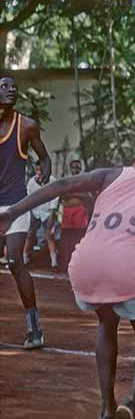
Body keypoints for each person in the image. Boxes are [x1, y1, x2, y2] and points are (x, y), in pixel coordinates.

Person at [0, 128, 135, 419]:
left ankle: (106, 411)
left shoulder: (111, 174)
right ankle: (130, 402)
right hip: (128, 267)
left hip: (85, 263)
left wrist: (13, 211)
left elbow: (62, 186)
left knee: (107, 322)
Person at [0, 75, 52, 348]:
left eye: (14, 88)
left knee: (14, 260)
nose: (11, 90)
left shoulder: (27, 126)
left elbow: (44, 157)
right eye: (4, 86)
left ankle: (34, 328)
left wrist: (45, 172)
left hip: (15, 205)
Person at [23, 163, 59, 269]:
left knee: (49, 235)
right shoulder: (31, 182)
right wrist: (29, 212)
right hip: (34, 211)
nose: (39, 173)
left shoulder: (52, 180)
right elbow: (28, 198)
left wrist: (52, 213)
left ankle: (54, 263)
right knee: (29, 235)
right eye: (37, 170)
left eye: (41, 170)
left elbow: (55, 198)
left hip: (47, 212)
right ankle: (24, 259)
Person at [58, 158, 90, 271]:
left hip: (79, 212)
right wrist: (76, 194)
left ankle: (78, 264)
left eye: (78, 167)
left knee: (78, 238)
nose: (75, 170)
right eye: (73, 167)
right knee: (66, 238)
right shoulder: (66, 181)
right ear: (70, 169)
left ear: (80, 169)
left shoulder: (84, 181)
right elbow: (62, 195)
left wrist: (72, 194)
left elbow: (86, 197)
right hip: (67, 211)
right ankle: (64, 264)